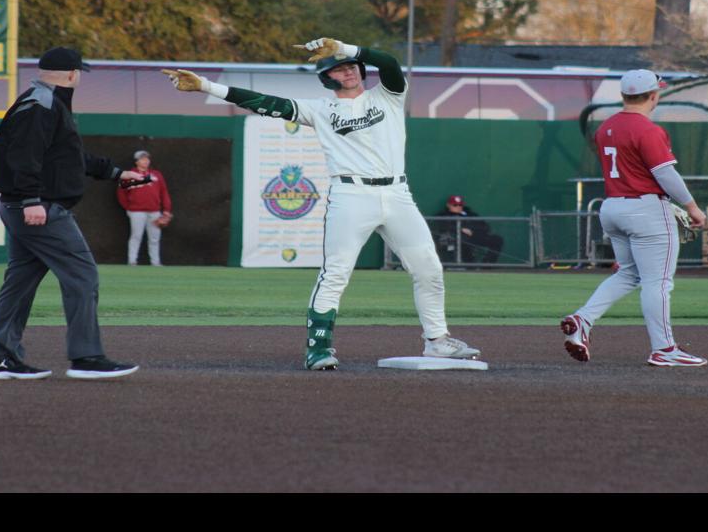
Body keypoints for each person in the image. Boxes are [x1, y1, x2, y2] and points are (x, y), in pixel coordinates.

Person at [161, 38, 479, 370]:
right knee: (336, 274)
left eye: (352, 66)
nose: (350, 71)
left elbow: (387, 63)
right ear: (327, 78)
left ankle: (437, 342)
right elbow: (265, 102)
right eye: (340, 68)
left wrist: (346, 48)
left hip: (398, 194)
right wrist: (206, 86)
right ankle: (319, 348)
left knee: (429, 269)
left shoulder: (387, 95)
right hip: (351, 195)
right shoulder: (320, 109)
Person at [0, 46, 143, 381]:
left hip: (23, 206)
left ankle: (1, 358)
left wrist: (115, 173)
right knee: (82, 275)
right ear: (72, 74)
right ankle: (86, 357)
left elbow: (69, 157)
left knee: (20, 282)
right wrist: (30, 201)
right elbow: (23, 156)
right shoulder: (42, 105)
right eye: (79, 71)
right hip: (38, 208)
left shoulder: (45, 102)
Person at [559, 70, 708, 367]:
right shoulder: (647, 129)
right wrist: (692, 206)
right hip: (645, 209)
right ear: (654, 95)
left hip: (612, 207)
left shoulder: (606, 128)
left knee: (628, 274)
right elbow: (664, 173)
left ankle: (583, 319)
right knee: (658, 282)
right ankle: (664, 349)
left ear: (624, 95)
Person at [116, 150, 172, 266]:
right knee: (136, 236)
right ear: (136, 161)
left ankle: (155, 263)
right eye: (142, 159)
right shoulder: (130, 174)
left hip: (154, 211)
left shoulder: (156, 175)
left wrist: (166, 210)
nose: (145, 161)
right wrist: (129, 207)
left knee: (155, 238)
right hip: (137, 212)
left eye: (147, 159)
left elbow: (164, 192)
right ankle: (132, 261)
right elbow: (121, 194)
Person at [434, 194, 504, 266]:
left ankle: (487, 264)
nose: (458, 207)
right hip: (457, 238)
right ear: (448, 205)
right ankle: (470, 265)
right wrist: (460, 229)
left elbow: (485, 227)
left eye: (460, 205)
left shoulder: (470, 214)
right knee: (463, 241)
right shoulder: (443, 215)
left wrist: (472, 231)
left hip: (475, 236)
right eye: (455, 205)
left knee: (497, 240)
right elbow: (443, 226)